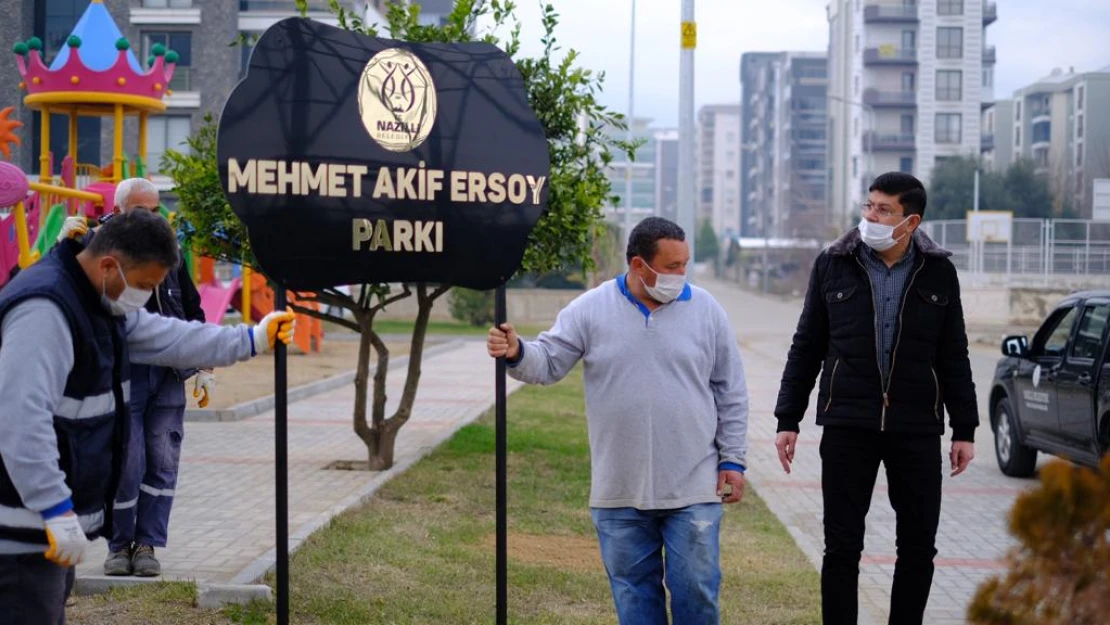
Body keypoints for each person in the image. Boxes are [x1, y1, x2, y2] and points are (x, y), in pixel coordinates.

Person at [0, 210, 294, 623]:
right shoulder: (46, 310)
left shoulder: (98, 300)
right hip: (17, 541)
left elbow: (168, 335)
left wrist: (250, 339)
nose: (144, 296)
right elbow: (19, 419)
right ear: (108, 265)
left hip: (42, 536)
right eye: (144, 286)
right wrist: (54, 507)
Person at [486, 216, 749, 624]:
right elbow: (548, 362)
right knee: (634, 602)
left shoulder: (707, 310)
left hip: (693, 486)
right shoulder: (590, 309)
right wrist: (516, 350)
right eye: (672, 266)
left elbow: (731, 390)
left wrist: (733, 460)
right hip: (619, 490)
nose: (682, 275)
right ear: (638, 265)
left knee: (697, 595)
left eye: (685, 264)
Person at [773, 172, 978, 625]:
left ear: (911, 221)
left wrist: (965, 427)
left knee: (919, 547)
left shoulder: (939, 271)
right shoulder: (834, 263)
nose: (871, 216)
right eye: (869, 206)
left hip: (916, 427)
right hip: (848, 425)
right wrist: (788, 418)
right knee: (842, 547)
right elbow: (806, 344)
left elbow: (954, 352)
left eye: (884, 210)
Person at [59, 178, 213, 576]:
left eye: (156, 210)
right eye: (143, 210)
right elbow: (63, 292)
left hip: (168, 373)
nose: (151, 218)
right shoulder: (95, 245)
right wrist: (65, 247)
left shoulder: (169, 252)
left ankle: (147, 545)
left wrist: (203, 366)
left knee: (162, 462)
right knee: (127, 462)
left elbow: (192, 310)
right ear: (121, 208)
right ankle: (119, 546)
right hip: (123, 375)